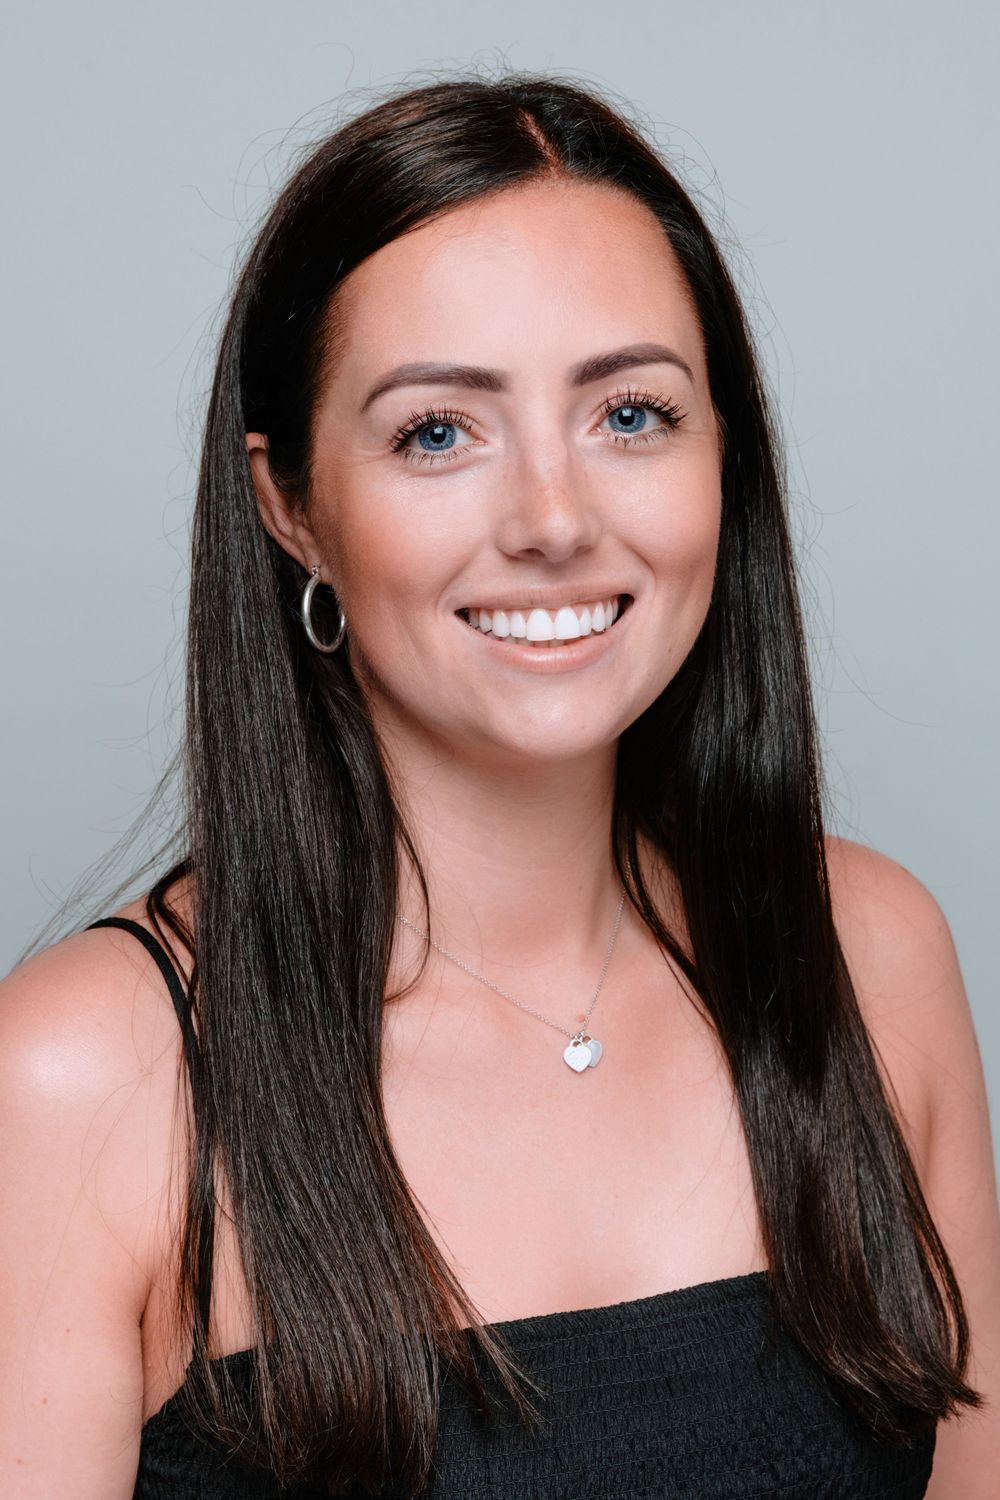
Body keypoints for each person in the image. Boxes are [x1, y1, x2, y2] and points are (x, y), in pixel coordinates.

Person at [2, 70, 997, 1499]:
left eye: (633, 415)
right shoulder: (87, 1078)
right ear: (291, 509)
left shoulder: (869, 954)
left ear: (729, 453)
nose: (552, 519)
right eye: (437, 432)